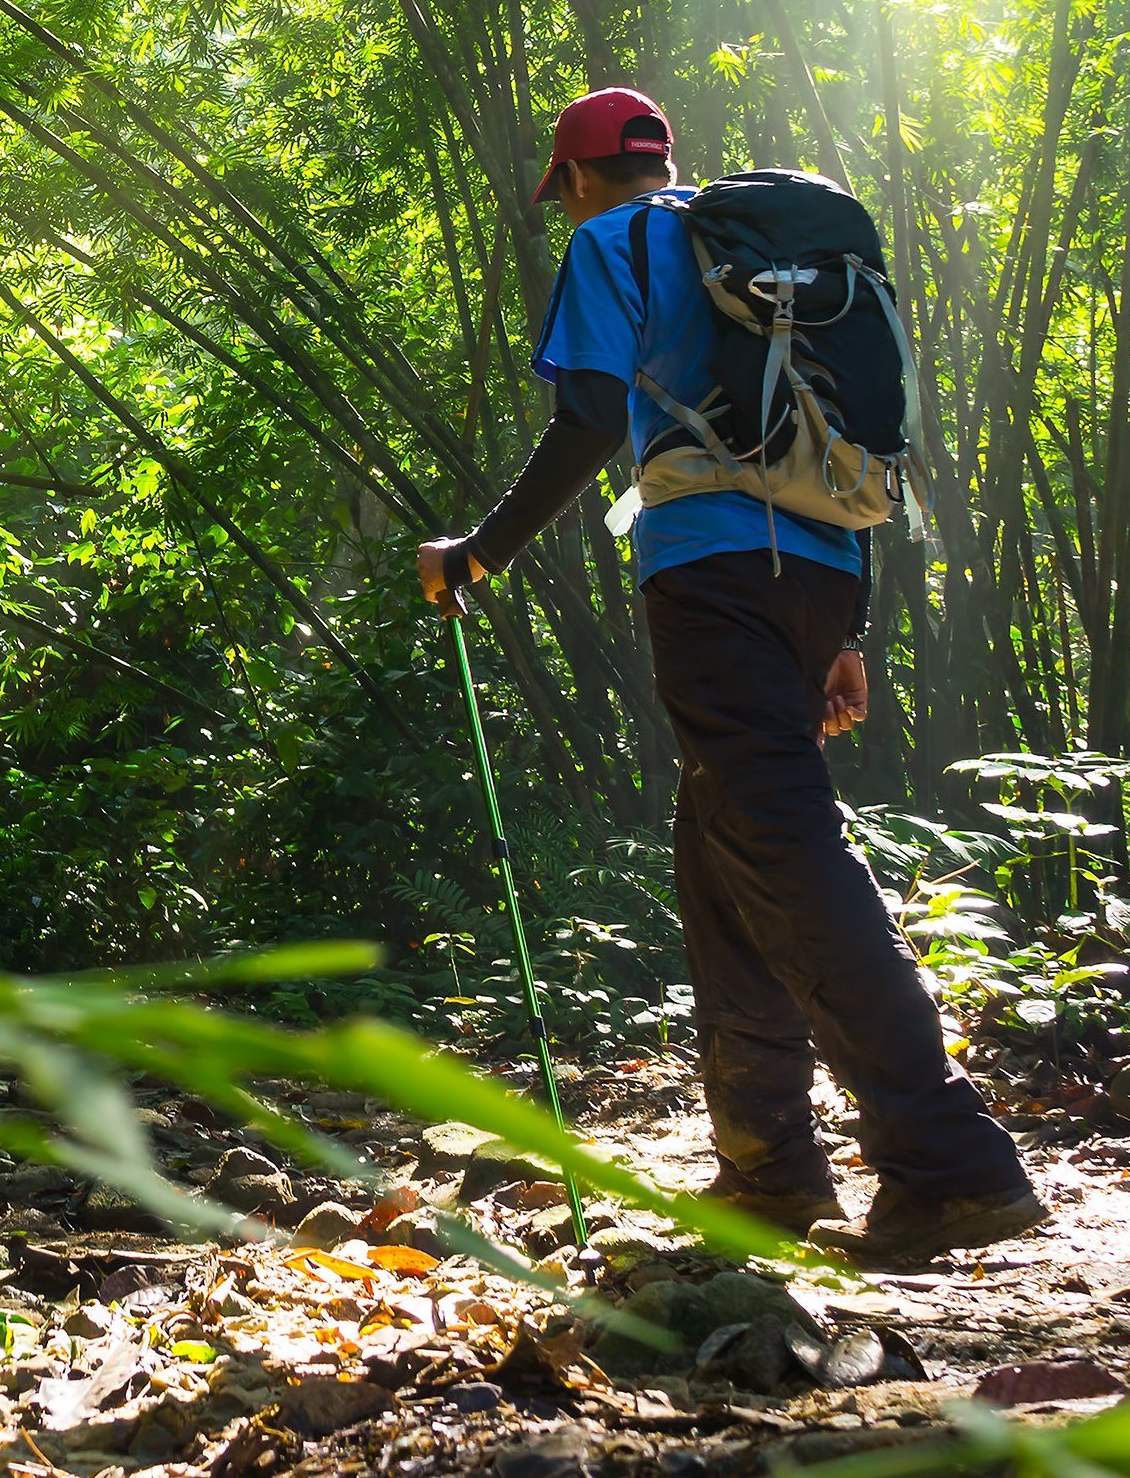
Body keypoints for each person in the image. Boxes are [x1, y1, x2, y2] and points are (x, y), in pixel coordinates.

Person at [418, 86, 1045, 1263]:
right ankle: (768, 1166)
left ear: (581, 178)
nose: (568, 210)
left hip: (709, 575)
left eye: (565, 192)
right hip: (813, 575)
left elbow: (591, 420)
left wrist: (479, 552)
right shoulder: (756, 258)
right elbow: (839, 442)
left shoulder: (616, 241)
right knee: (718, 850)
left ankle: (949, 1160)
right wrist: (846, 631)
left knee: (784, 844)